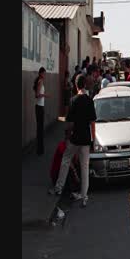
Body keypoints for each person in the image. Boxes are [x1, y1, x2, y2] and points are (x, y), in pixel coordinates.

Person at [48, 74, 96, 207]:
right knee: (84, 167)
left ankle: (58, 188)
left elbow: (70, 122)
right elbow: (92, 123)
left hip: (75, 139)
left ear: (76, 85)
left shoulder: (73, 100)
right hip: (86, 139)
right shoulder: (89, 100)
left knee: (66, 160)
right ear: (84, 85)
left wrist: (67, 136)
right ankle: (84, 197)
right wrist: (94, 140)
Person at [33, 67, 48, 155]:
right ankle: (39, 150)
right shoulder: (40, 81)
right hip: (39, 107)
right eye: (44, 73)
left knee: (40, 128)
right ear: (41, 73)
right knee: (40, 129)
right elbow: (37, 95)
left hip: (40, 107)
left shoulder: (40, 81)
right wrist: (45, 95)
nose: (45, 75)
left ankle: (40, 149)